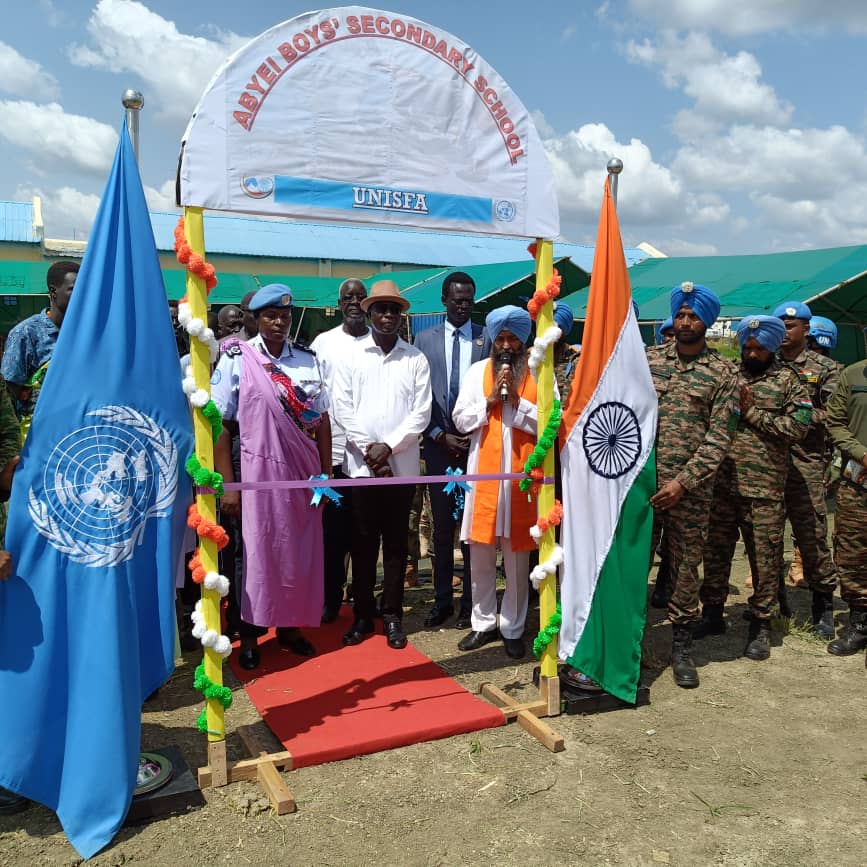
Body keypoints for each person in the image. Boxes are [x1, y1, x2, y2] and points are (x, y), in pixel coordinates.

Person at [212, 284, 331, 670]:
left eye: (284, 316)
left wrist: (325, 475)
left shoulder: (308, 360)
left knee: (297, 549)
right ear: (255, 319)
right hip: (256, 471)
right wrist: (229, 484)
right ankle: (248, 633)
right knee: (255, 553)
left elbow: (322, 420)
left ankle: (291, 627)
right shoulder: (237, 358)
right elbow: (220, 423)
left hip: (301, 471)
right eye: (270, 316)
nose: (279, 322)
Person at [642, 283, 738, 688]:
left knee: (683, 569)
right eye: (680, 315)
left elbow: (720, 438)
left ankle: (681, 645)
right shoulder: (646, 361)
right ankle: (630, 638)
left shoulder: (723, 373)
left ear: (707, 322)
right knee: (634, 562)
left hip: (690, 491)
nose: (684, 322)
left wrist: (683, 482)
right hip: (641, 485)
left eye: (693, 316)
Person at [702, 316, 812, 661]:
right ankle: (712, 614)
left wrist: (753, 414)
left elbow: (798, 429)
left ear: (772, 346)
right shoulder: (729, 375)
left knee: (764, 558)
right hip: (722, 483)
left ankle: (762, 624)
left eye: (758, 348)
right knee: (715, 552)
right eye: (746, 347)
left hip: (763, 488)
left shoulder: (790, 382)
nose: (751, 353)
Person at [333, 280, 432, 650]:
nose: (387, 316)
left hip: (401, 469)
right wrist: (370, 452)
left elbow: (420, 414)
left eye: (394, 310)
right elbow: (341, 407)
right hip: (361, 469)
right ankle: (361, 614)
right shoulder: (351, 355)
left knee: (395, 545)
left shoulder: (415, 358)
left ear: (401, 315)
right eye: (381, 309)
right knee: (361, 545)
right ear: (370, 313)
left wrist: (388, 447)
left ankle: (392, 615)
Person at [453, 305, 537, 659]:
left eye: (512, 338)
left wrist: (517, 403)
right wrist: (489, 402)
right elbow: (460, 420)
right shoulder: (476, 372)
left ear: (523, 340)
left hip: (520, 482)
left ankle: (513, 628)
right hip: (484, 480)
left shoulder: (539, 373)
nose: (506, 345)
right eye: (500, 338)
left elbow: (551, 424)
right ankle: (483, 623)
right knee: (481, 558)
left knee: (517, 561)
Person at [414, 272, 491, 629]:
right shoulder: (423, 340)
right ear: (444, 300)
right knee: (443, 529)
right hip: (439, 447)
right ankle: (442, 599)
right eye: (457, 299)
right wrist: (437, 434)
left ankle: (471, 604)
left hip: (477, 447)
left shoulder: (485, 338)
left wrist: (472, 433)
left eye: (469, 299)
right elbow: (418, 397)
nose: (463, 305)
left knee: (474, 529)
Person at [774, 301, 839, 636]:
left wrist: (799, 417)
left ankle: (823, 606)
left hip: (806, 462)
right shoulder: (763, 363)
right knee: (767, 537)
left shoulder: (825, 369)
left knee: (812, 535)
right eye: (781, 325)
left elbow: (833, 415)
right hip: (766, 464)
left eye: (791, 325)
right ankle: (776, 601)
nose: (785, 331)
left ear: (806, 329)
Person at [310, 278, 370, 622]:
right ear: (339, 302)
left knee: (364, 533)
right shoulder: (323, 343)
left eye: (360, 297)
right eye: (348, 297)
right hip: (331, 453)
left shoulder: (379, 341)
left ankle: (363, 600)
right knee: (332, 535)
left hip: (368, 455)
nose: (354, 302)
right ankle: (330, 598)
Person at [1, 260, 79, 434]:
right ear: (53, 292)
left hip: (77, 437)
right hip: (37, 440)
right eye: (73, 289)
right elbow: (8, 399)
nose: (81, 294)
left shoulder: (85, 334)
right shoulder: (27, 333)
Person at [824, 353, 867, 658]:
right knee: (852, 552)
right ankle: (861, 622)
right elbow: (835, 422)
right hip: (859, 481)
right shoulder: (852, 375)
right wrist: (860, 453)